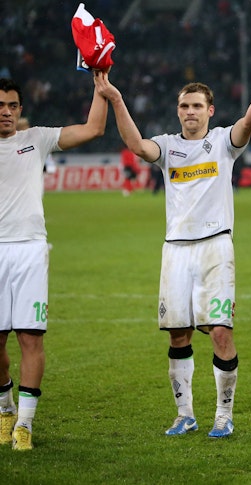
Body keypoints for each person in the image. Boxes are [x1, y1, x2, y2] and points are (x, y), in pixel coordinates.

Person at [95, 64, 251, 439]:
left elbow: (249, 120)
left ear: (210, 110)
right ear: (178, 110)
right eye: (184, 106)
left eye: (197, 106)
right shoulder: (168, 146)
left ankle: (223, 415)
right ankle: (185, 415)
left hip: (216, 247)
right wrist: (116, 99)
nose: (190, 112)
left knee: (220, 332)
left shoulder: (223, 143)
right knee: (177, 335)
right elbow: (137, 145)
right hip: (176, 252)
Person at [0, 74, 108, 451]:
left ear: (21, 110)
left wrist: (101, 88)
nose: (7, 112)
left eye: (13, 106)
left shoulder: (36, 139)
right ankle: (4, 410)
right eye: (0, 106)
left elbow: (94, 128)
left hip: (29, 249)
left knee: (30, 337)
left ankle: (24, 425)